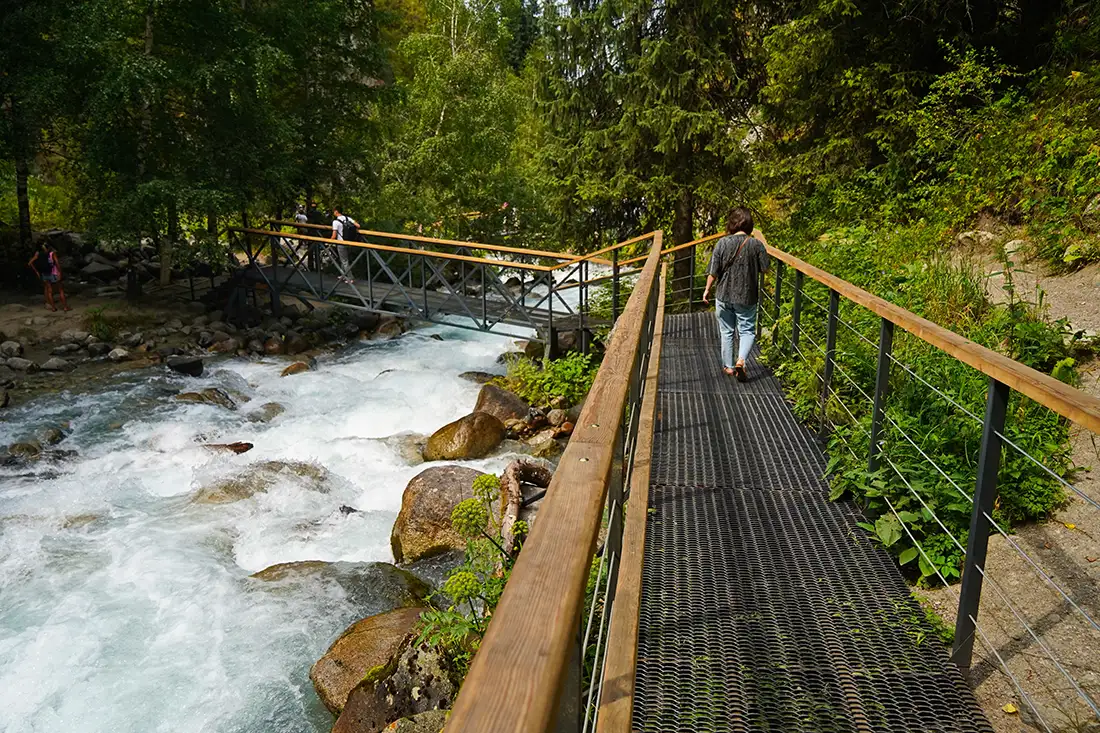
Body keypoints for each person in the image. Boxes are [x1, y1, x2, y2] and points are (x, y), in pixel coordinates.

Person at [702, 207, 769, 381]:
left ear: (732, 224)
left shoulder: (722, 243)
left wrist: (707, 289)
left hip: (724, 294)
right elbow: (765, 269)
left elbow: (713, 271)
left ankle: (729, 367)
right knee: (747, 330)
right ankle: (741, 360)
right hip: (746, 296)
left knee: (727, 331)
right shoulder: (756, 244)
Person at [27, 242, 71, 312]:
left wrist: (37, 272)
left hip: (45, 274)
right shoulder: (52, 254)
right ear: (49, 248)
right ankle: (65, 307)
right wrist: (60, 272)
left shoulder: (38, 254)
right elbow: (57, 263)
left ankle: (53, 308)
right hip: (54, 273)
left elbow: (30, 263)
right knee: (60, 290)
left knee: (49, 291)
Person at [331, 207, 359, 284]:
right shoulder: (347, 218)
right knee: (344, 259)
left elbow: (334, 235)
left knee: (344, 260)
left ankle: (350, 278)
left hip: (341, 242)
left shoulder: (335, 222)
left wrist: (328, 242)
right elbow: (358, 225)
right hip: (349, 242)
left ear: (336, 212)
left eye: (334, 212)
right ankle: (343, 274)